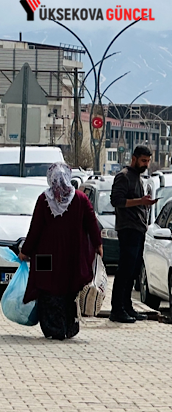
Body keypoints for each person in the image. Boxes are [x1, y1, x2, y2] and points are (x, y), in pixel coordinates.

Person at [19, 163, 102, 340]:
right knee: (69, 289)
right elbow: (92, 224)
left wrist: (25, 251)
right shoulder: (80, 199)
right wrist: (98, 245)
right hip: (73, 253)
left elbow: (35, 229)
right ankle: (68, 326)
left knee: (47, 287)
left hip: (45, 255)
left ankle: (53, 328)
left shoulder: (44, 199)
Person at [109, 145, 155, 323]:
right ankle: (117, 309)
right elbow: (117, 201)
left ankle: (127, 306)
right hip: (127, 229)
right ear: (134, 158)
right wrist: (140, 201)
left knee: (134, 270)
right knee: (125, 269)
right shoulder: (124, 176)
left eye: (148, 161)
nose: (146, 164)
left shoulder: (138, 178)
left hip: (139, 229)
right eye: (143, 161)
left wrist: (144, 204)